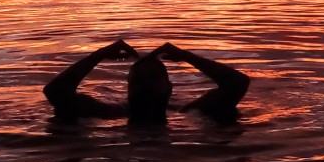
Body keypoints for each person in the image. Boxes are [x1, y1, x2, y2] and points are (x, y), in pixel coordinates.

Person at [43, 40, 250, 125]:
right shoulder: (108, 113)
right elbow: (55, 92)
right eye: (138, 81)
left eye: (153, 79)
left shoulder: (190, 111)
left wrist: (187, 56)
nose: (146, 85)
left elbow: (238, 83)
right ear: (127, 90)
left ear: (170, 89)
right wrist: (100, 54)